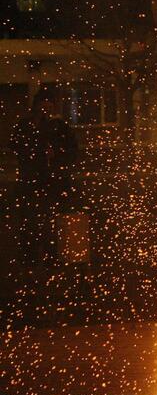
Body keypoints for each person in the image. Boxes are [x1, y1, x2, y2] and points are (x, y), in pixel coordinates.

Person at [10, 89, 78, 265]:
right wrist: (36, 153)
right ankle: (29, 255)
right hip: (31, 179)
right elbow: (16, 146)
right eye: (43, 105)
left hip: (53, 180)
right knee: (30, 218)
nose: (46, 109)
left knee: (52, 218)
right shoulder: (26, 126)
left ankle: (51, 254)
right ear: (36, 107)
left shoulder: (59, 127)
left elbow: (72, 149)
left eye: (49, 105)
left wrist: (57, 154)